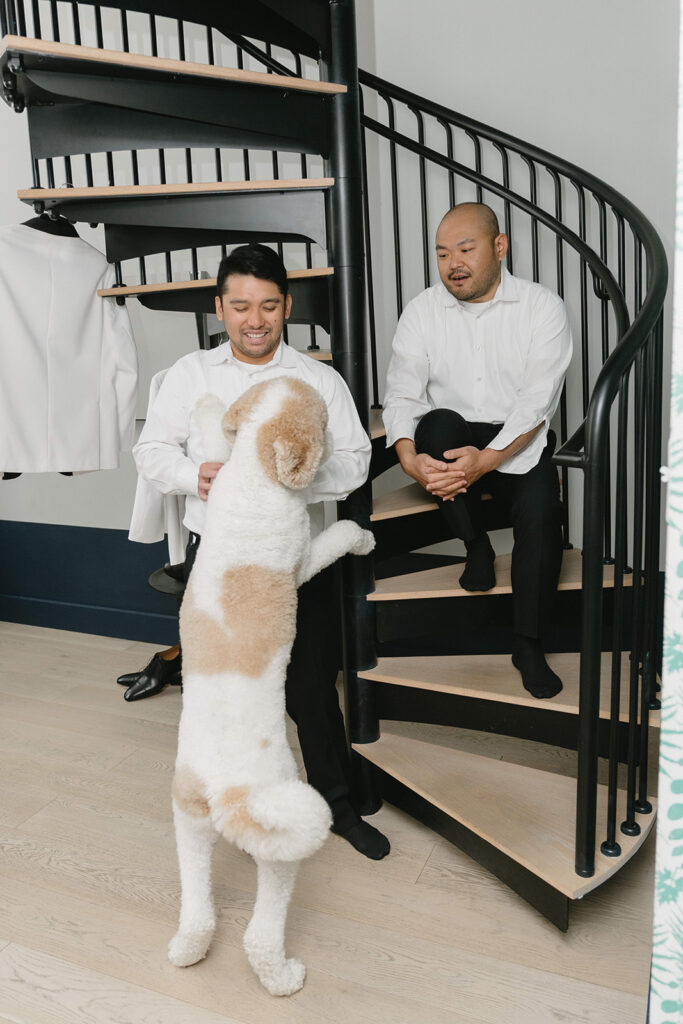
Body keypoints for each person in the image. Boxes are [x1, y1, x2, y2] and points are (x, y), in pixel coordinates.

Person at [127, 242, 389, 860]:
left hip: (295, 561)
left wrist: (283, 477)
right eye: (241, 305)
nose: (255, 320)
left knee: (309, 688)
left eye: (268, 306)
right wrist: (200, 478)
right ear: (220, 307)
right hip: (215, 561)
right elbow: (151, 452)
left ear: (287, 307)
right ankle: (229, 802)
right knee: (224, 690)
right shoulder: (189, 376)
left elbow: (354, 461)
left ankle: (338, 807)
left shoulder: (318, 379)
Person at [383, 203, 573, 699]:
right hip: (451, 438)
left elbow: (537, 402)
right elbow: (402, 393)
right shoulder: (423, 309)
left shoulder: (541, 306)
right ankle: (477, 546)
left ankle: (528, 642)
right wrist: (409, 459)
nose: (453, 264)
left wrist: (488, 458)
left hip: (518, 440)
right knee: (438, 421)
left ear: (499, 247)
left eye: (465, 249)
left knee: (540, 514)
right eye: (443, 254)